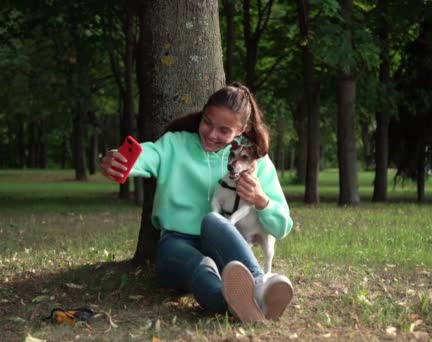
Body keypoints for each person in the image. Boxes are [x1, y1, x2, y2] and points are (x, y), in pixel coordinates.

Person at [101, 83, 294, 323]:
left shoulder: (253, 159)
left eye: (224, 130)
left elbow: (282, 227)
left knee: (215, 220)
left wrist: (261, 200)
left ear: (241, 129)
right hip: (177, 243)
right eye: (207, 123)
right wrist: (119, 159)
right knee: (201, 267)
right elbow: (146, 154)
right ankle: (239, 303)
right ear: (202, 115)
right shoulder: (175, 143)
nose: (212, 134)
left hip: (223, 244)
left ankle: (259, 285)